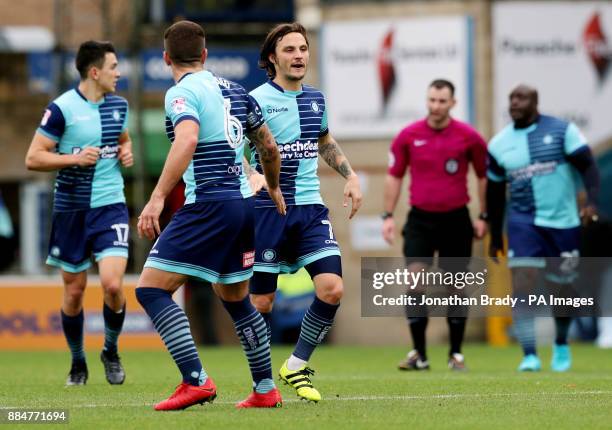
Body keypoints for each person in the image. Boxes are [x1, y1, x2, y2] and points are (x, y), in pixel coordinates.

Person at [135, 20, 286, 411]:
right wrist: (272, 186)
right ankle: (265, 388)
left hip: (208, 205)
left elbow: (186, 139)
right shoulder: (236, 90)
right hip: (242, 206)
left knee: (151, 289)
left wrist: (155, 199)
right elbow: (269, 146)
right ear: (204, 55)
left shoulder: (181, 92)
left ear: (167, 57)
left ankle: (196, 380)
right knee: (235, 299)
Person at [245, 22, 362, 403]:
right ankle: (263, 385)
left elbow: (324, 140)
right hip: (267, 210)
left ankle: (296, 364)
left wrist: (350, 174)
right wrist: (252, 175)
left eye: (303, 49)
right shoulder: (255, 100)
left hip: (310, 210)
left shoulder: (316, 99)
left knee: (333, 289)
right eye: (290, 50)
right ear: (272, 58)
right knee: (261, 303)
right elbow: (234, 150)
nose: (299, 56)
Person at [25, 40, 133, 386]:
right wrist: (73, 158)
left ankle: (111, 350)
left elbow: (123, 139)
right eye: (114, 66)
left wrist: (125, 152)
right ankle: (77, 361)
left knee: (113, 285)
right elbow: (34, 157)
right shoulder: (61, 109)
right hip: (71, 210)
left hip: (110, 205)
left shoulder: (119, 105)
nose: (119, 73)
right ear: (95, 71)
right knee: (74, 292)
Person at [487, 84, 600, 372]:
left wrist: (592, 203)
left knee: (560, 288)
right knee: (522, 282)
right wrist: (494, 235)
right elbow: (495, 192)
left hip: (563, 223)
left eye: (521, 97)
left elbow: (588, 166)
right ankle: (529, 355)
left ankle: (561, 343)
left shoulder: (562, 131)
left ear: (535, 102)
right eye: (511, 98)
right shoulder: (499, 144)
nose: (514, 102)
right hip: (523, 222)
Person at [382, 79, 488, 371]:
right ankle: (419, 354)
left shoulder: (469, 137)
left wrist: (484, 216)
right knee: (415, 281)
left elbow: (483, 176)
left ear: (452, 103)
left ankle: (456, 354)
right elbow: (394, 175)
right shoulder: (409, 135)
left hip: (456, 219)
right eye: (432, 100)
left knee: (455, 286)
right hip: (420, 220)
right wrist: (388, 215)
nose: (436, 106)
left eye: (442, 101)